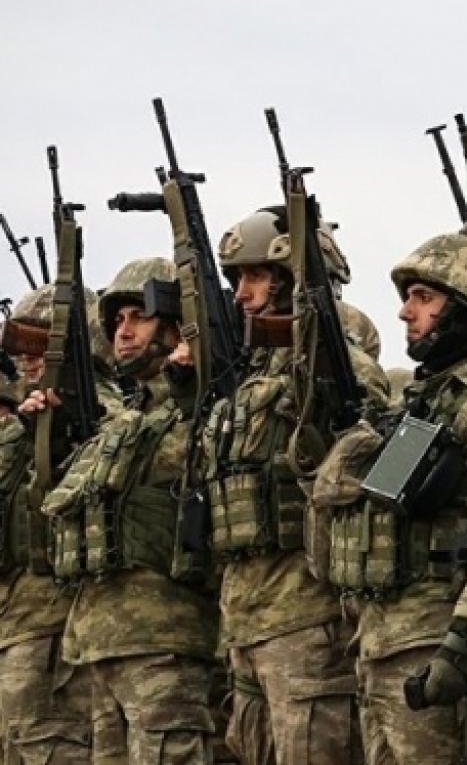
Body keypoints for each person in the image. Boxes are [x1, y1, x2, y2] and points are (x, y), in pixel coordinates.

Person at [316, 233, 467, 763]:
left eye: (423, 297)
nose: (405, 312)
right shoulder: (427, 400)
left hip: (435, 640)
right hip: (382, 640)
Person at [207, 207, 387, 764]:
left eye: (256, 276)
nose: (242, 294)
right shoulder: (249, 381)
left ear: (291, 280)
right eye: (237, 278)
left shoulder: (340, 367)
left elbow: (364, 470)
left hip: (309, 619)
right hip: (247, 621)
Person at [41, 258, 219, 762]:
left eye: (139, 317)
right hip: (100, 639)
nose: (124, 331)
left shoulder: (202, 410)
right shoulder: (122, 423)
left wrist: (193, 385)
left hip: (165, 637)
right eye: (117, 320)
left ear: (176, 324)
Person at [1, 284, 117, 764]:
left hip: (53, 619)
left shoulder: (103, 417)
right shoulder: (21, 426)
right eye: (21, 347)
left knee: (51, 743)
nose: (27, 361)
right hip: (18, 616)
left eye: (39, 346)